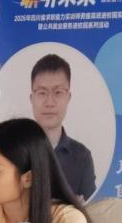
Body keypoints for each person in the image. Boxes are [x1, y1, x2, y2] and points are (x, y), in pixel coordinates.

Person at [29, 53, 97, 200]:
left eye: (58, 92)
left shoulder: (82, 157)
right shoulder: (15, 152)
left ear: (68, 98)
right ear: (31, 98)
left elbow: (90, 208)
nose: (49, 102)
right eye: (42, 93)